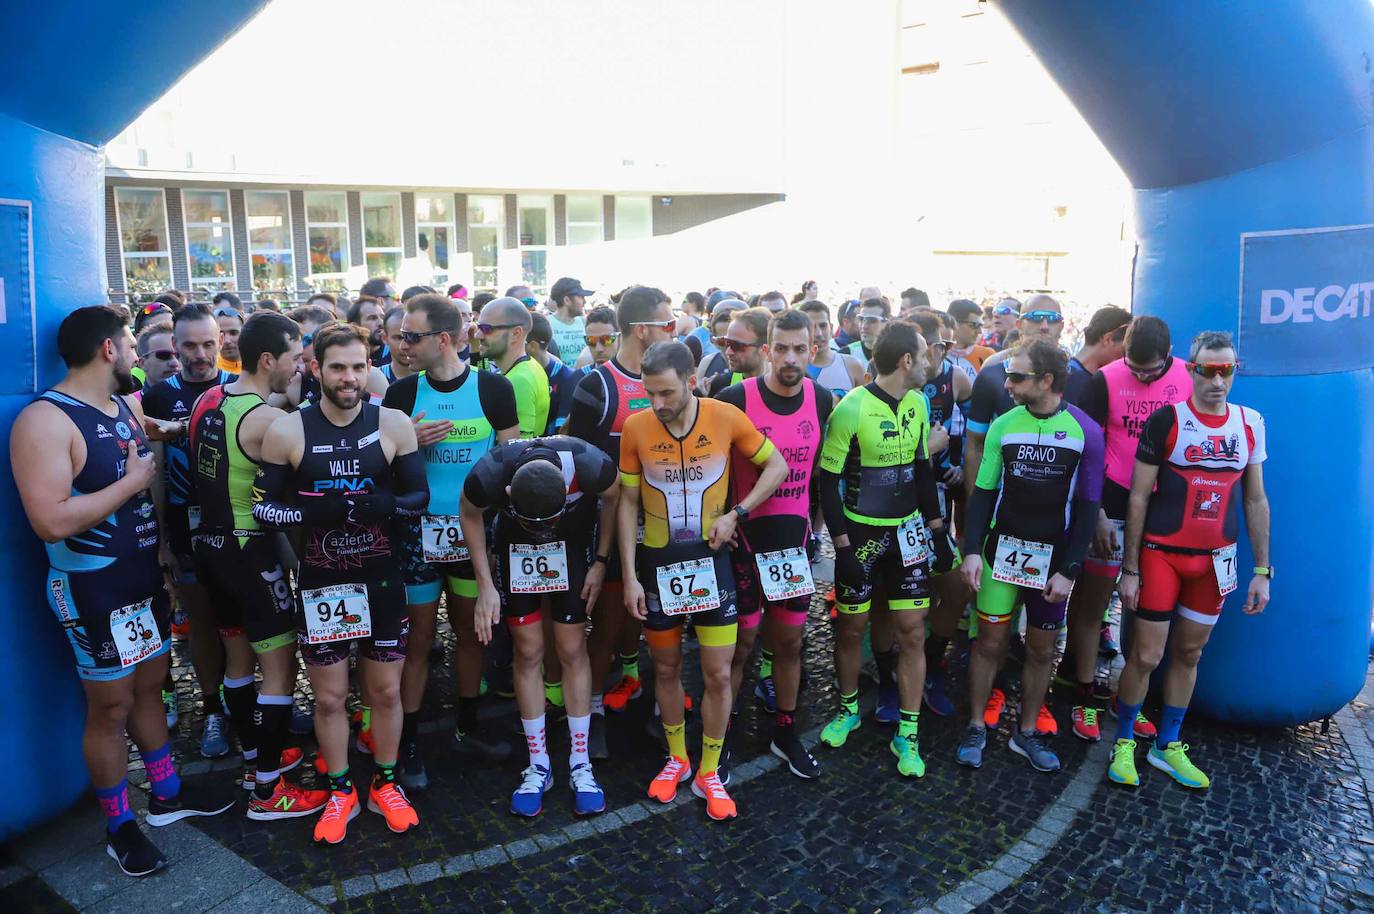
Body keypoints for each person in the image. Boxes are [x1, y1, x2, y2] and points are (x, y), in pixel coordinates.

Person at [13, 306, 234, 877]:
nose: (139, 353)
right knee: (109, 707)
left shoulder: (122, 407)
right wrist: (135, 481)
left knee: (150, 686)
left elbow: (159, 441)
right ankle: (119, 825)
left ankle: (166, 793)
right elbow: (50, 521)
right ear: (108, 349)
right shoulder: (45, 420)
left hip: (141, 576)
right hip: (91, 586)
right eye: (133, 343)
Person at [252, 322, 428, 843]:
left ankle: (387, 783)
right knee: (329, 701)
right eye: (337, 367)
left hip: (380, 580)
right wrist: (312, 513)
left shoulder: (393, 423)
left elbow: (418, 498)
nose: (349, 378)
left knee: (386, 694)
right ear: (315, 369)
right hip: (324, 585)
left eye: (358, 366)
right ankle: (339, 789)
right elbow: (264, 507)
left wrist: (388, 504)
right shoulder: (287, 430)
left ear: (368, 367)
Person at [618, 341, 788, 820]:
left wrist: (738, 513)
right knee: (667, 671)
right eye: (650, 393)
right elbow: (627, 504)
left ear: (691, 380)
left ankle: (710, 769)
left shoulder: (724, 416)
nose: (658, 404)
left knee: (716, 673)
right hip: (657, 564)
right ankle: (677, 760)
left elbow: (777, 466)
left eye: (667, 393)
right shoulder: (636, 427)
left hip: (711, 562)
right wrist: (629, 576)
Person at [1111, 331, 1269, 789]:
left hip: (1215, 561)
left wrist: (1262, 569)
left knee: (1189, 652)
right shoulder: (1166, 421)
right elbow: (1138, 498)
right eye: (1208, 370)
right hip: (1162, 556)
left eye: (1227, 370)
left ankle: (1167, 746)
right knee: (1146, 655)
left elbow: (1256, 500)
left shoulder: (1251, 423)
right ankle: (1123, 743)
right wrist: (1131, 568)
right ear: (1191, 369)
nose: (1217, 380)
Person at [188, 311, 327, 818]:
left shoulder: (212, 397)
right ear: (269, 359)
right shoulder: (268, 420)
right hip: (250, 553)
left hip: (211, 549)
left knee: (239, 662)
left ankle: (253, 758)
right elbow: (325, 457)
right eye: (295, 357)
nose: (300, 367)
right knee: (279, 668)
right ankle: (268, 790)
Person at [384, 293, 521, 786]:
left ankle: (468, 725)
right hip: (417, 536)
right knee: (417, 640)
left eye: (411, 336)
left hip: (473, 537)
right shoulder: (401, 395)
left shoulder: (493, 389)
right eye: (402, 336)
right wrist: (405, 444)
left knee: (471, 634)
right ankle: (409, 742)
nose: (403, 345)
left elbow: (511, 464)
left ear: (443, 339)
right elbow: (380, 468)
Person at [955, 340, 1105, 773]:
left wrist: (1070, 569)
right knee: (989, 643)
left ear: (1047, 380)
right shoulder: (1004, 424)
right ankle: (975, 726)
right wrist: (970, 552)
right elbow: (983, 493)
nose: (1007, 383)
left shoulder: (1085, 431)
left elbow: (1088, 507)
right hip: (1001, 553)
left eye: (1017, 377)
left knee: (1041, 651)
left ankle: (1026, 732)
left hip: (1052, 560)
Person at [817, 321, 954, 778]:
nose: (934, 360)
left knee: (912, 631)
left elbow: (921, 471)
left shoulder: (918, 402)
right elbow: (828, 482)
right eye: (926, 353)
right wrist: (842, 548)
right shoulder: (851, 409)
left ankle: (908, 734)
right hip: (861, 535)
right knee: (851, 629)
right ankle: (849, 709)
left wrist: (936, 531)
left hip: (906, 534)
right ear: (907, 361)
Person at [461, 436, 620, 816]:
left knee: (570, 648)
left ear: (567, 490)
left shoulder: (589, 462)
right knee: (528, 650)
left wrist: (601, 560)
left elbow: (615, 496)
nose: (541, 528)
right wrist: (485, 585)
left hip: (571, 546)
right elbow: (468, 513)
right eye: (534, 521)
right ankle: (539, 764)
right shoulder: (490, 471)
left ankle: (580, 762)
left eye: (547, 520)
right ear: (509, 492)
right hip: (515, 552)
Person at [714, 310, 834, 778]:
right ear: (765, 350)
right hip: (743, 544)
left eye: (799, 349)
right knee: (739, 647)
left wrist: (816, 533)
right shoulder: (734, 398)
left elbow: (821, 477)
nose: (790, 358)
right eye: (780, 348)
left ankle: (785, 731)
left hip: (791, 544)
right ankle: (719, 738)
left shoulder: (821, 399)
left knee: (789, 644)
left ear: (813, 350)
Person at [1067, 315, 1192, 742]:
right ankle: (1084, 695)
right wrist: (1096, 510)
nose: (1140, 378)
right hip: (1112, 503)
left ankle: (1128, 698)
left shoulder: (1186, 377)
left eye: (1150, 371)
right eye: (1134, 369)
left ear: (1169, 355)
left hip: (1160, 510)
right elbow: (1084, 447)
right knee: (1093, 604)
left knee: (1142, 608)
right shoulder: (1103, 380)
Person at [565, 287, 677, 755]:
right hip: (609, 524)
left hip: (666, 524)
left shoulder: (676, 380)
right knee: (608, 623)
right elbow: (577, 458)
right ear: (643, 330)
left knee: (662, 620)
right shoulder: (597, 384)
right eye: (668, 325)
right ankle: (589, 711)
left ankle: (653, 700)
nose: (676, 332)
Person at [140, 303, 237, 758]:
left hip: (240, 529)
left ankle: (249, 698)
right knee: (202, 622)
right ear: (175, 347)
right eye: (190, 345)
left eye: (208, 344)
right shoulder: (158, 398)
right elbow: (156, 475)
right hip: (187, 530)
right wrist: (161, 541)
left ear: (221, 342)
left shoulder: (238, 389)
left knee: (246, 619)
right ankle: (214, 708)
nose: (200, 354)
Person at [910, 311, 972, 717]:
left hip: (935, 502)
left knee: (954, 588)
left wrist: (962, 465)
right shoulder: (878, 382)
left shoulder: (958, 378)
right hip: (892, 507)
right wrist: (924, 452)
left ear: (934, 349)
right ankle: (895, 669)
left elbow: (973, 433)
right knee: (900, 598)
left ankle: (929, 662)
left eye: (915, 350)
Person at [476, 297, 550, 438]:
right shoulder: (530, 365)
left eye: (486, 329)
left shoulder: (518, 380)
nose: (477, 334)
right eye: (478, 326)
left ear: (516, 334)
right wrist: (475, 349)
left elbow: (516, 448)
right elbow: (482, 378)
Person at [1063, 305, 1131, 406]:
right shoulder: (1071, 380)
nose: (1125, 359)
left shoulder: (1070, 373)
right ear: (1108, 339)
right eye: (1124, 350)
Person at [799, 300, 865, 398]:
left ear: (831, 327)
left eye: (823, 326)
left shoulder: (854, 367)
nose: (818, 333)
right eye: (811, 327)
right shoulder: (795, 370)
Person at [701, 306, 771, 396]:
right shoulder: (720, 386)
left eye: (737, 346)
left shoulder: (788, 386)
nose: (728, 352)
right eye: (726, 343)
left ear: (764, 349)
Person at [527, 312, 578, 434]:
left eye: (518, 343)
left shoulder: (566, 377)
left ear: (532, 346)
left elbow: (562, 432)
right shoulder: (510, 372)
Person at [695, 299, 747, 380]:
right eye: (722, 341)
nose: (729, 350)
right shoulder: (707, 363)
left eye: (736, 343)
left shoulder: (764, 368)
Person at [549, 277, 594, 367]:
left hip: (584, 379)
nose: (584, 301)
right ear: (567, 300)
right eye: (581, 297)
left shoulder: (584, 322)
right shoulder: (547, 324)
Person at [947, 299, 995, 372]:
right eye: (974, 325)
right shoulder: (935, 354)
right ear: (954, 323)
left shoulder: (988, 355)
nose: (979, 332)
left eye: (981, 325)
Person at [135, 325, 181, 391]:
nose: (175, 363)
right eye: (164, 355)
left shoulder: (199, 399)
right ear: (143, 363)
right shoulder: (132, 401)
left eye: (180, 355)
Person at [574, 305, 620, 372]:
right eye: (591, 341)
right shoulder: (579, 378)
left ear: (620, 339)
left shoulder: (638, 375)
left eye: (606, 340)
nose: (598, 349)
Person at [347, 296, 389, 366]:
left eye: (382, 317)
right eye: (372, 318)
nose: (381, 323)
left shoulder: (395, 355)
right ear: (355, 326)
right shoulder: (345, 357)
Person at [214, 304, 245, 374]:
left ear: (244, 333)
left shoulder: (257, 368)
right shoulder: (209, 371)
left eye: (233, 333)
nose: (227, 341)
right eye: (221, 333)